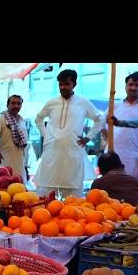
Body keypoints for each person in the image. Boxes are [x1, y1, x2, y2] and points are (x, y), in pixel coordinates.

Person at [34, 69, 104, 198]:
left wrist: (88, 138)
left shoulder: (83, 102)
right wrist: (46, 135)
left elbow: (99, 119)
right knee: (46, 190)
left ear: (74, 84)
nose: (63, 87)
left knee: (73, 194)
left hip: (72, 151)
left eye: (66, 84)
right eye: (60, 84)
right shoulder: (52, 102)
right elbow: (38, 119)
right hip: (52, 151)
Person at [102, 72, 138, 178]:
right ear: (126, 86)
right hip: (113, 152)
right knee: (111, 185)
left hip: (135, 156)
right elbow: (100, 122)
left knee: (130, 186)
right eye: (130, 84)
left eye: (137, 85)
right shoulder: (115, 105)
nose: (133, 88)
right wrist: (108, 138)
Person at [0, 95, 29, 183]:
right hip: (3, 160)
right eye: (13, 103)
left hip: (19, 163)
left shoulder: (22, 121)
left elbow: (25, 146)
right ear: (7, 105)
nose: (16, 106)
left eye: (19, 103)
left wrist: (26, 166)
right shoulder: (1, 119)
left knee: (19, 191)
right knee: (3, 191)